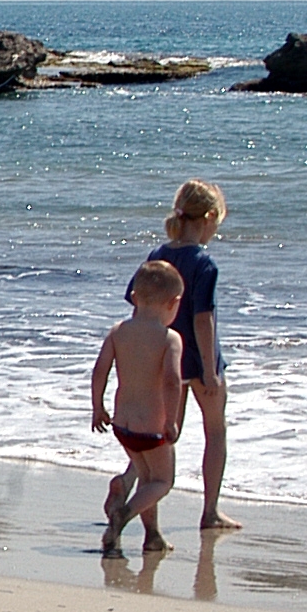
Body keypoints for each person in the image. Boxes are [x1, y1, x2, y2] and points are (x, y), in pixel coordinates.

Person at [134, 179, 241, 531]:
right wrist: (209, 370)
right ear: (208, 218)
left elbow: (139, 308)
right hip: (197, 357)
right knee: (215, 431)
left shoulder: (158, 256)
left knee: (161, 434)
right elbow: (202, 319)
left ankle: (129, 484)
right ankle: (210, 511)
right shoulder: (203, 263)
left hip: (164, 357)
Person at [92, 259, 187, 556]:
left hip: (123, 425)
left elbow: (100, 370)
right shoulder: (170, 339)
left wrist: (97, 407)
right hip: (152, 428)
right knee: (162, 481)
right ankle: (123, 515)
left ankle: (152, 536)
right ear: (174, 303)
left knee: (146, 480)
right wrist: (171, 421)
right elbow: (172, 381)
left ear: (134, 297)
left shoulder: (118, 331)